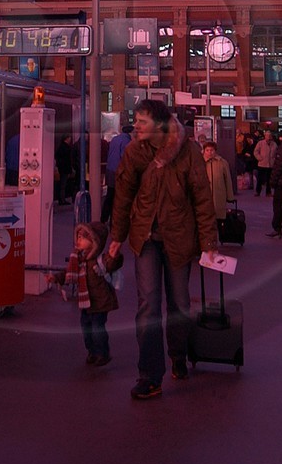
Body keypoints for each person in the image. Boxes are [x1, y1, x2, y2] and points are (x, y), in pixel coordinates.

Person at [107, 98, 217, 400]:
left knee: (179, 303)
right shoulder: (134, 151)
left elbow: (202, 199)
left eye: (142, 122)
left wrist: (209, 243)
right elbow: (123, 195)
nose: (136, 126)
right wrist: (117, 236)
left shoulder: (188, 153)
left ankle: (178, 354)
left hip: (179, 237)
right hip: (145, 239)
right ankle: (149, 375)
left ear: (158, 124)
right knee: (148, 305)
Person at [46, 221, 122, 366]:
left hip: (100, 303)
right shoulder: (78, 258)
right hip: (86, 303)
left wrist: (114, 256)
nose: (78, 240)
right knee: (86, 329)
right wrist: (55, 278)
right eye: (78, 237)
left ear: (94, 242)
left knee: (97, 329)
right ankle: (92, 352)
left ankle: (102, 353)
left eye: (83, 237)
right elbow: (68, 273)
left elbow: (112, 264)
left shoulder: (99, 260)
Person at [101, 121, 133, 219]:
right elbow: (125, 157)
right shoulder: (127, 141)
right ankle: (113, 221)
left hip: (110, 169)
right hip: (118, 172)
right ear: (130, 133)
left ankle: (104, 217)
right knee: (118, 198)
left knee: (110, 195)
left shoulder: (114, 139)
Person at [201, 141, 235, 226]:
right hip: (204, 195)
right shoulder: (200, 162)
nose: (209, 152)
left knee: (218, 218)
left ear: (215, 151)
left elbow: (228, 180)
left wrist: (230, 197)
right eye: (207, 150)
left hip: (219, 195)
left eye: (211, 150)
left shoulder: (222, 163)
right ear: (204, 151)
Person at [253, 128, 275, 196]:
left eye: (270, 135)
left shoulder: (274, 144)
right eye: (267, 135)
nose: (268, 137)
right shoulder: (260, 143)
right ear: (265, 136)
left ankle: (268, 192)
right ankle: (258, 191)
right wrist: (260, 158)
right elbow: (256, 152)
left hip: (270, 164)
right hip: (262, 164)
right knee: (260, 179)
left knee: (269, 180)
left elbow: (276, 153)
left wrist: (274, 160)